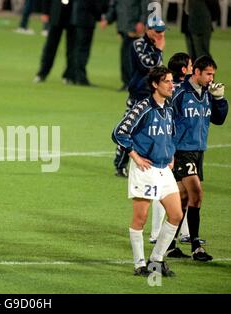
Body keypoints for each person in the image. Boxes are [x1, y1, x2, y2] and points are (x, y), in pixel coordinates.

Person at [112, 66, 182, 277]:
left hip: (164, 170)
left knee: (176, 214)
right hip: (146, 169)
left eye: (172, 81)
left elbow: (171, 134)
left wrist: (171, 155)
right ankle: (139, 264)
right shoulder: (143, 107)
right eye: (167, 82)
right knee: (140, 218)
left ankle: (156, 260)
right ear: (155, 84)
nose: (172, 85)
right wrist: (134, 156)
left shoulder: (168, 107)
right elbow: (119, 132)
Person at [169, 55, 228, 261]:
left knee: (184, 198)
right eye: (208, 74)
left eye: (213, 74)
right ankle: (196, 246)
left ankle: (169, 244)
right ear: (196, 73)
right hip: (182, 151)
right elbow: (167, 118)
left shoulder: (208, 94)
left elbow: (219, 120)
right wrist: (167, 151)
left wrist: (220, 99)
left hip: (199, 151)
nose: (211, 78)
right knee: (197, 194)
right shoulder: (179, 93)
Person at [149, 52, 193, 248]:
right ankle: (161, 233)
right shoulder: (178, 90)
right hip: (174, 146)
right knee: (169, 189)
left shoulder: (173, 89)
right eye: (191, 65)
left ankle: (180, 232)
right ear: (184, 69)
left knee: (176, 191)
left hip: (174, 145)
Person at [113, 16, 165, 177]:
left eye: (162, 32)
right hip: (138, 95)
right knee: (128, 129)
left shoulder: (156, 45)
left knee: (154, 130)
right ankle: (120, 165)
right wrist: (158, 50)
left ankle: (154, 163)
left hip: (153, 96)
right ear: (148, 30)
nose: (160, 35)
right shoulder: (138, 44)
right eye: (157, 31)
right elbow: (147, 66)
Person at [34, 0, 105, 86]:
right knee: (50, 46)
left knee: (72, 47)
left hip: (73, 14)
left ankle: (68, 75)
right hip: (57, 12)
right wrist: (45, 11)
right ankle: (42, 73)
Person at [100, 0, 147, 91]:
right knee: (126, 56)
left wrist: (142, 22)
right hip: (125, 27)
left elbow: (146, 6)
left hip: (134, 27)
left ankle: (134, 83)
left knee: (131, 56)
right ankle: (128, 83)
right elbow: (114, 6)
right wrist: (107, 19)